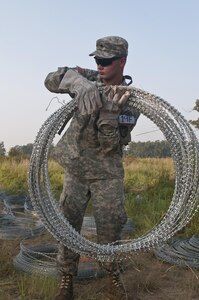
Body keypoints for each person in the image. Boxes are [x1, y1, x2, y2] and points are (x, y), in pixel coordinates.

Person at [44, 36, 140, 300]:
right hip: (76, 167)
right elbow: (51, 79)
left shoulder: (132, 101)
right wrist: (79, 82)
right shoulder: (89, 78)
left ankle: (113, 279)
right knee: (68, 226)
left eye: (106, 61)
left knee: (110, 229)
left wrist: (109, 115)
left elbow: (112, 147)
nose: (100, 65)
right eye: (97, 60)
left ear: (122, 61)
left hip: (106, 174)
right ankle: (66, 280)